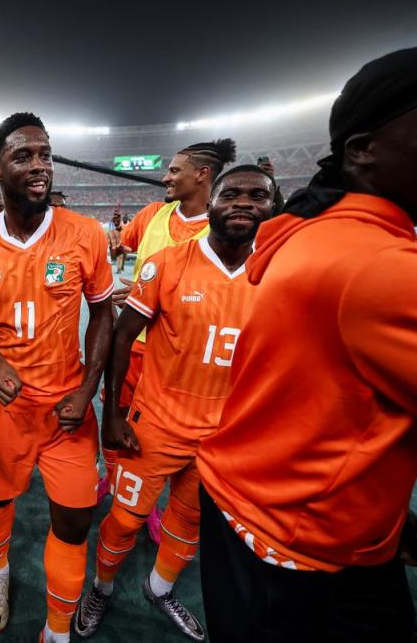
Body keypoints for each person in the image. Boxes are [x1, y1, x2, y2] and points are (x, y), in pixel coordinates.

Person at [195, 44, 417, 642]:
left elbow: (318, 389)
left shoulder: (316, 237)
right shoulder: (382, 265)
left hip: (268, 507)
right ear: (363, 150)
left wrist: (374, 496)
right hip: (299, 544)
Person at [74, 165, 276, 640]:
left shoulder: (280, 272)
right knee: (125, 522)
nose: (244, 203)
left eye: (259, 195)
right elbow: (122, 339)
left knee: (190, 527)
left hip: (224, 438)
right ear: (212, 203)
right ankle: (101, 589)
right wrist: (114, 415)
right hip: (157, 425)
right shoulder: (166, 263)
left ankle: (160, 589)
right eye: (232, 194)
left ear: (274, 208)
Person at [0, 112, 114, 643]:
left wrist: (87, 390)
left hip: (66, 409)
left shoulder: (86, 234)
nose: (40, 165)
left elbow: (104, 315)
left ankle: (57, 630)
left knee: (74, 520)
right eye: (24, 156)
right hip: (3, 412)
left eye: (45, 154)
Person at [103, 138, 236, 536]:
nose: (166, 176)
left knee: (165, 440)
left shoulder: (226, 230)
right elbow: (118, 249)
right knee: (118, 418)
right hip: (133, 342)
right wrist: (126, 277)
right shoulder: (151, 215)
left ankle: (152, 505)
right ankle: (115, 486)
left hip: (182, 359)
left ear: (203, 175)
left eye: (176, 170)